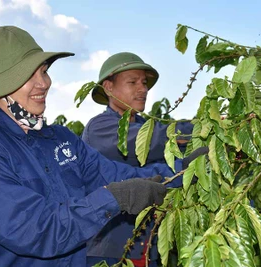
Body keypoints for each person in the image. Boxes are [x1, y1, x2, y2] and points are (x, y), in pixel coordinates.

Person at [0, 26, 198, 266]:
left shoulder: (61, 140)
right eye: (29, 75)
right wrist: (115, 198)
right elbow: (40, 230)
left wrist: (187, 169)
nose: (44, 83)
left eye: (44, 71)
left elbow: (121, 176)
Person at [82, 52, 201, 266]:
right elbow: (154, 143)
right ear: (108, 87)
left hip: (147, 246)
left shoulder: (146, 126)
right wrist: (198, 130)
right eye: (132, 82)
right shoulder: (101, 128)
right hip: (111, 248)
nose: (142, 89)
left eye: (144, 83)